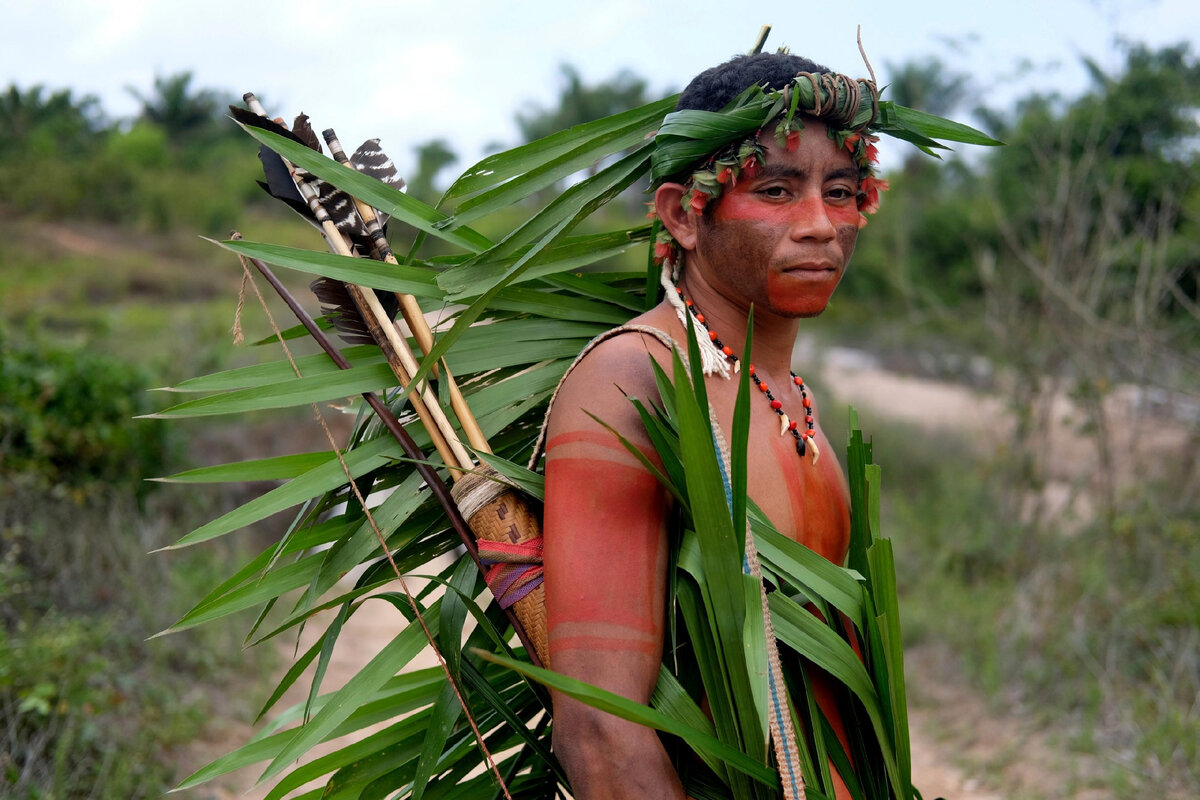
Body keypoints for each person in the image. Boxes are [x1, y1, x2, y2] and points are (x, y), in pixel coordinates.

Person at [541, 51, 877, 800]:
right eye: (778, 190)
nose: (820, 226)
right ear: (684, 214)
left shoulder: (795, 396)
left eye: (842, 191)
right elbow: (601, 728)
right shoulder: (639, 381)